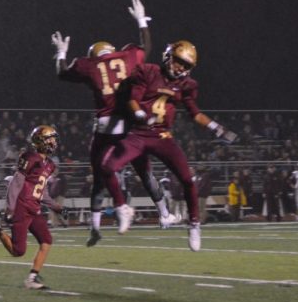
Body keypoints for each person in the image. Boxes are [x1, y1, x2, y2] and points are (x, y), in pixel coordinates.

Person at [52, 0, 179, 247]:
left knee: (101, 175)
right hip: (132, 123)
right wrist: (142, 20)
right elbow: (147, 46)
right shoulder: (128, 56)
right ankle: (164, 214)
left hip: (106, 125)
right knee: (144, 171)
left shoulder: (90, 65)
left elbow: (62, 72)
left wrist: (61, 53)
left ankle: (100, 223)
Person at [100, 41, 237, 252]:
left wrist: (216, 128)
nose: (181, 68)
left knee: (188, 181)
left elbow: (195, 113)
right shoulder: (148, 71)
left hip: (162, 136)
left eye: (185, 65)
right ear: (168, 56)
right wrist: (140, 115)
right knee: (107, 167)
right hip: (138, 133)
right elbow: (133, 99)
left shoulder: (187, 85)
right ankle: (122, 207)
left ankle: (194, 224)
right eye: (179, 61)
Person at [0, 125, 67, 289]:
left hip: (34, 208)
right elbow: (16, 183)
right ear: (41, 141)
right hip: (21, 207)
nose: (54, 142)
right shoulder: (30, 157)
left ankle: (32, 279)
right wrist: (10, 208)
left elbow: (43, 192)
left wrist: (57, 207)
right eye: (50, 138)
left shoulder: (50, 165)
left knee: (46, 240)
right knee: (18, 251)